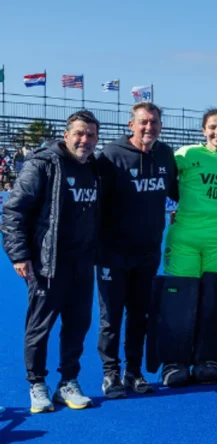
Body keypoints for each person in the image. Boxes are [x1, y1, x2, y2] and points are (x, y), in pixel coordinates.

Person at [1, 110, 101, 412]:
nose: (85, 140)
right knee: (40, 327)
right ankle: (37, 384)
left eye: (91, 135)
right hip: (48, 263)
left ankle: (68, 382)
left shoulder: (96, 168)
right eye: (80, 133)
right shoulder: (43, 164)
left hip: (82, 264)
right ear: (67, 134)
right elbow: (14, 211)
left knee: (77, 326)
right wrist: (19, 254)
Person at [162, 108, 217, 386]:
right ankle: (174, 361)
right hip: (186, 237)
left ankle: (208, 359)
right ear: (203, 130)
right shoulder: (185, 155)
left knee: (215, 302)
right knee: (180, 301)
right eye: (212, 127)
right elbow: (167, 182)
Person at [95, 103, 178, 398]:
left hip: (147, 253)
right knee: (111, 318)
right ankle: (110, 373)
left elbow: (177, 192)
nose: (149, 127)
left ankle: (133, 371)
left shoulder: (166, 155)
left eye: (154, 122)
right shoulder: (111, 156)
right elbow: (95, 203)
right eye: (143, 122)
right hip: (112, 253)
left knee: (139, 315)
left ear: (161, 126)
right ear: (131, 125)